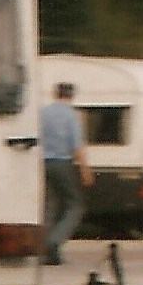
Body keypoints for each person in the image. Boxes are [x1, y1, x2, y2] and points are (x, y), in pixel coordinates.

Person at [40, 81, 89, 266]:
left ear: (55, 94)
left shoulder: (43, 113)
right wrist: (85, 169)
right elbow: (77, 146)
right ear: (72, 95)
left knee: (50, 206)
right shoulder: (72, 116)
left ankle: (44, 249)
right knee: (74, 205)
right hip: (62, 163)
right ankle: (53, 242)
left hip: (43, 163)